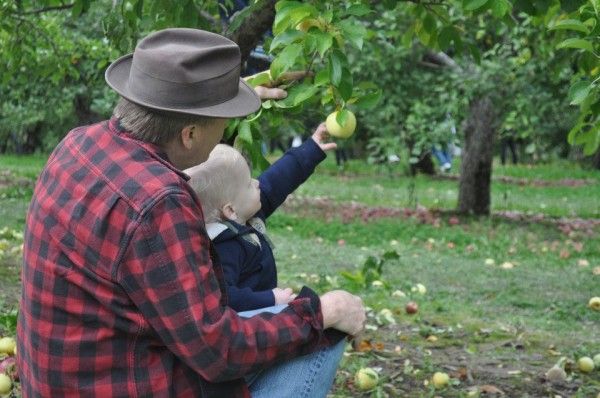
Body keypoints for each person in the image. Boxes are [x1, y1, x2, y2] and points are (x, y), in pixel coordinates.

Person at [17, 28, 366, 397]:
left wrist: (215, 92)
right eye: (223, 121)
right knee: (324, 328)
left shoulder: (79, 143)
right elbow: (218, 350)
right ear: (189, 134)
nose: (226, 129)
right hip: (126, 382)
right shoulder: (159, 202)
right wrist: (322, 312)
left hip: (66, 377)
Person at [185, 124, 335, 312]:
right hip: (247, 324)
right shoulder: (223, 248)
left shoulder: (245, 211)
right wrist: (270, 298)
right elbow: (225, 296)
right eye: (249, 183)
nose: (257, 183)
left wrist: (311, 148)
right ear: (230, 210)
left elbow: (278, 179)